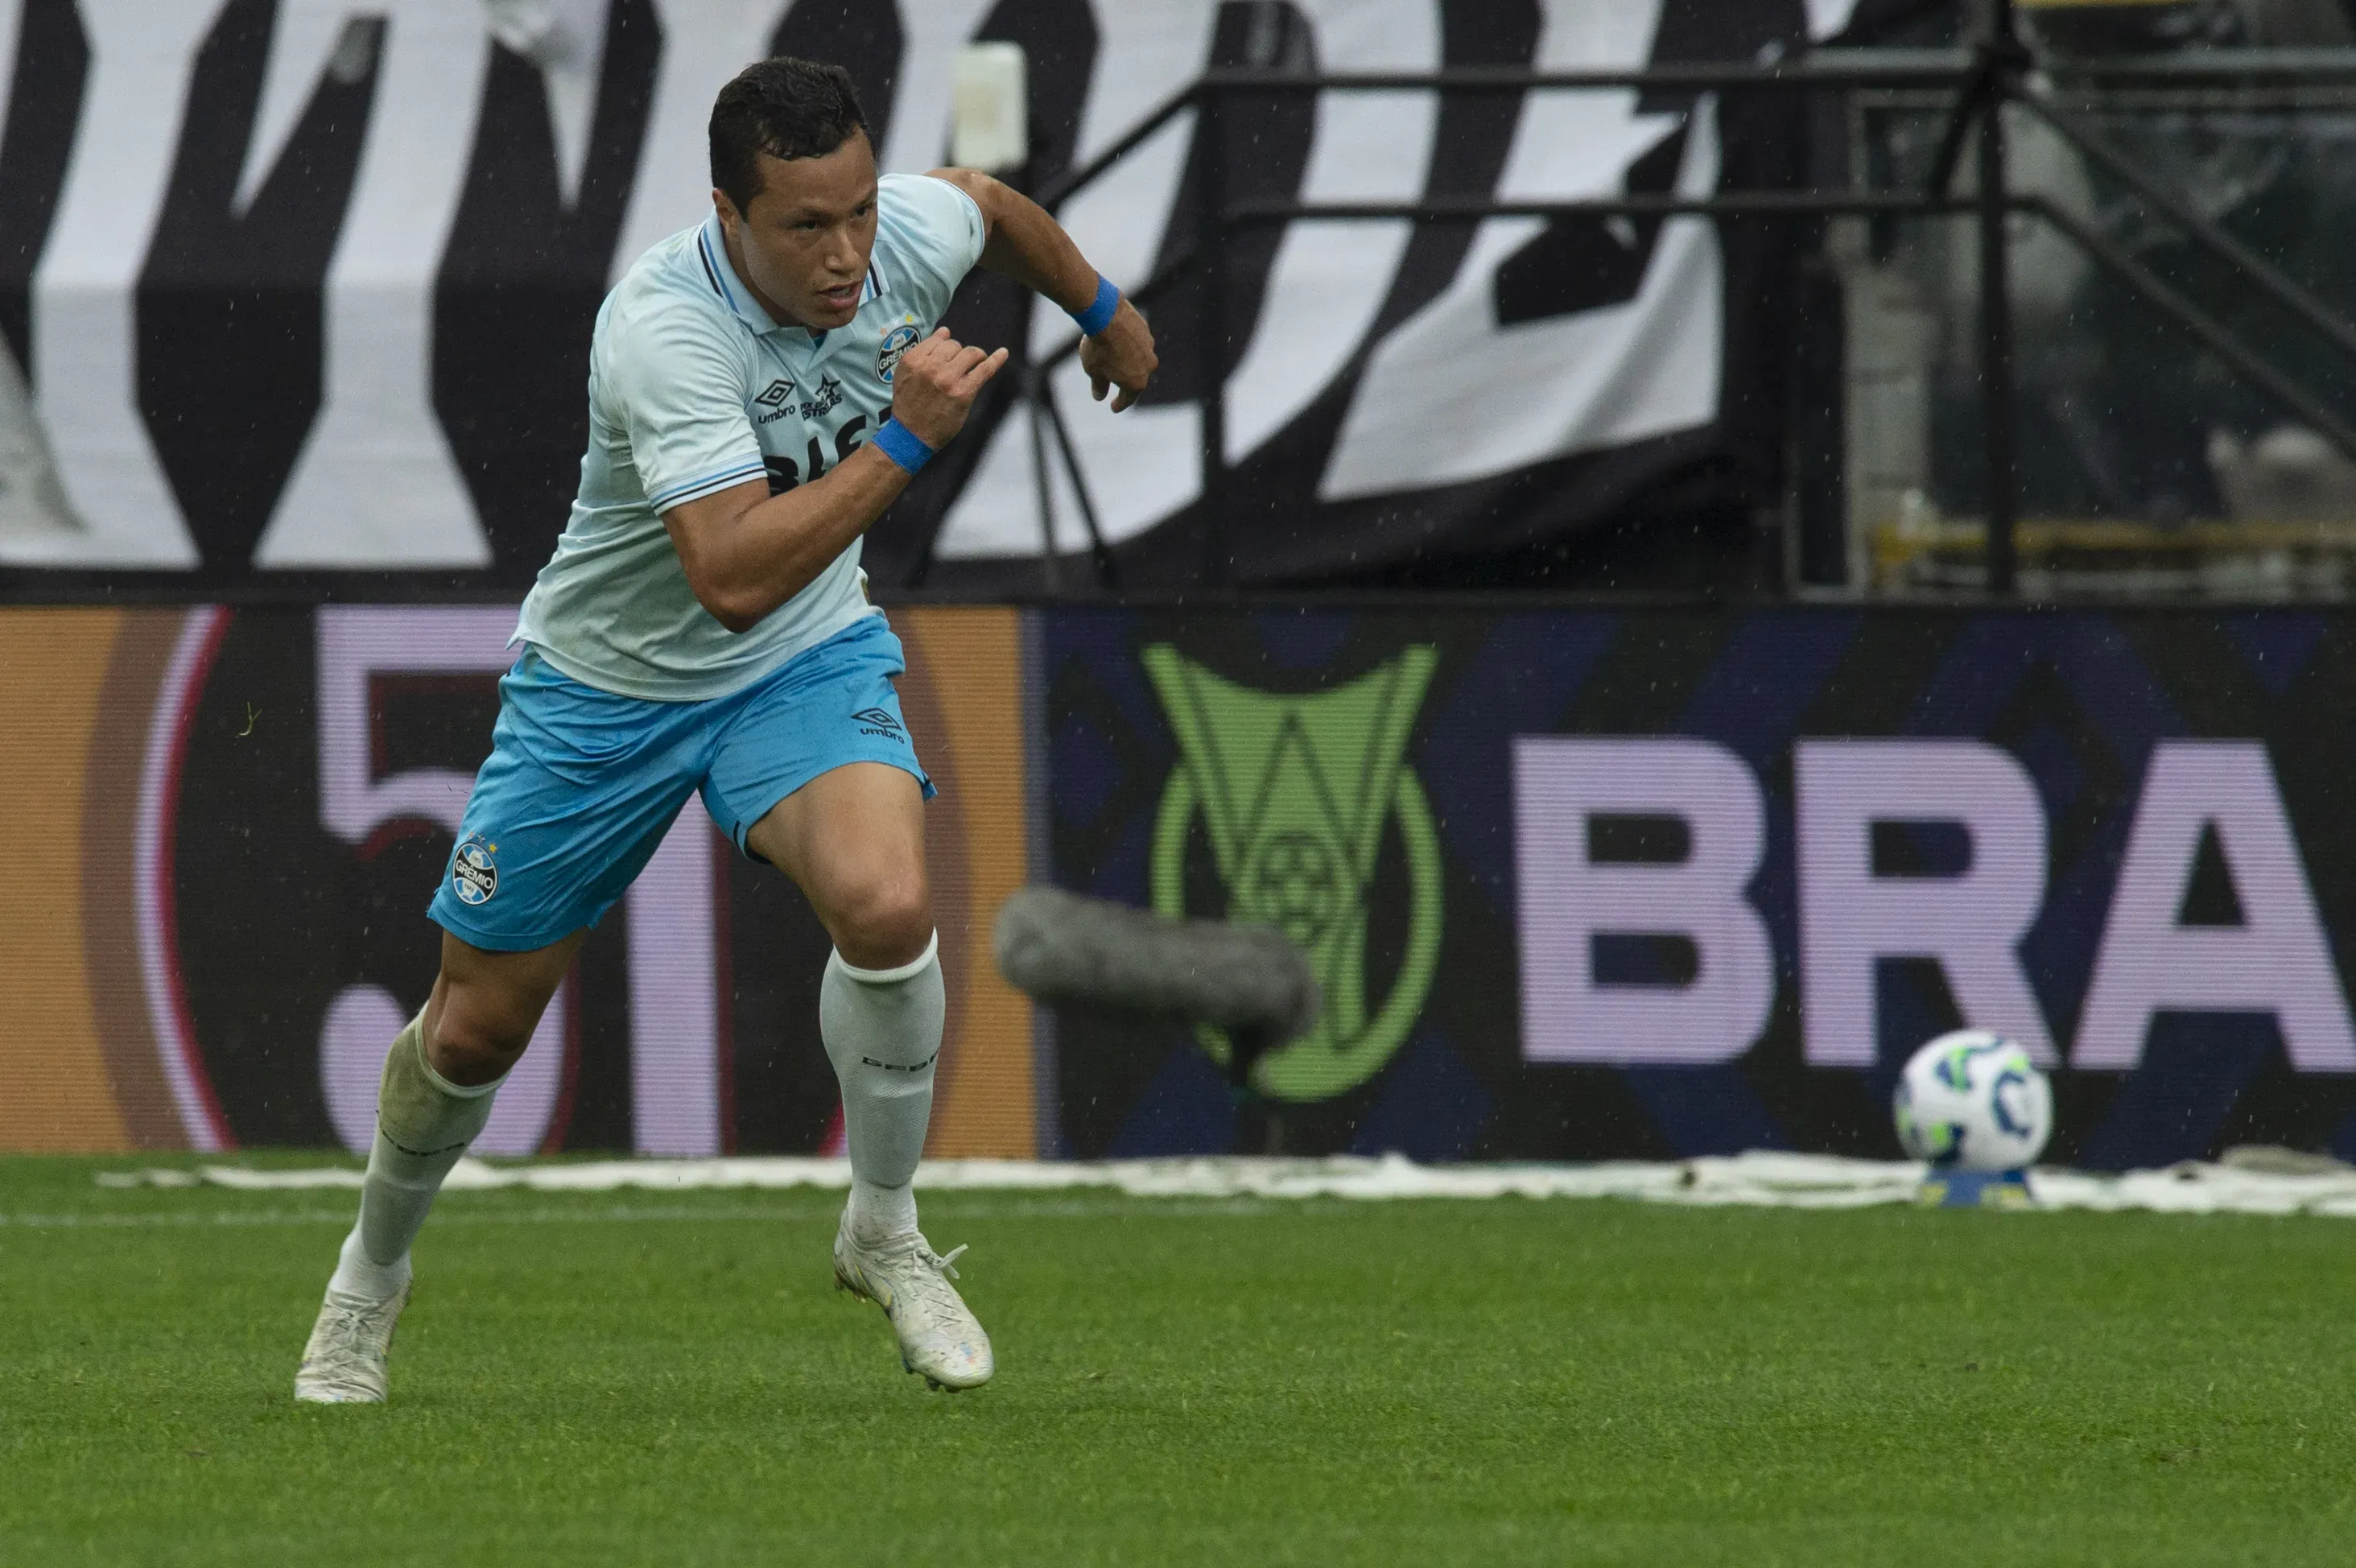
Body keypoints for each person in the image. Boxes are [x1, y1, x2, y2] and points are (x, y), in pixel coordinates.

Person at [294, 56, 1157, 1403]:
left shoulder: (899, 236)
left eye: (860, 210)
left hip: (795, 660)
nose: (848, 252)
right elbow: (730, 570)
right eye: (806, 226)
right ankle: (370, 1277)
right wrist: (909, 442)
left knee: (884, 904)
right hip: (605, 688)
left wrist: (1102, 310)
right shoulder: (663, 328)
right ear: (727, 215)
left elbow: (989, 205)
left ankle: (884, 1231)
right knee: (471, 1033)